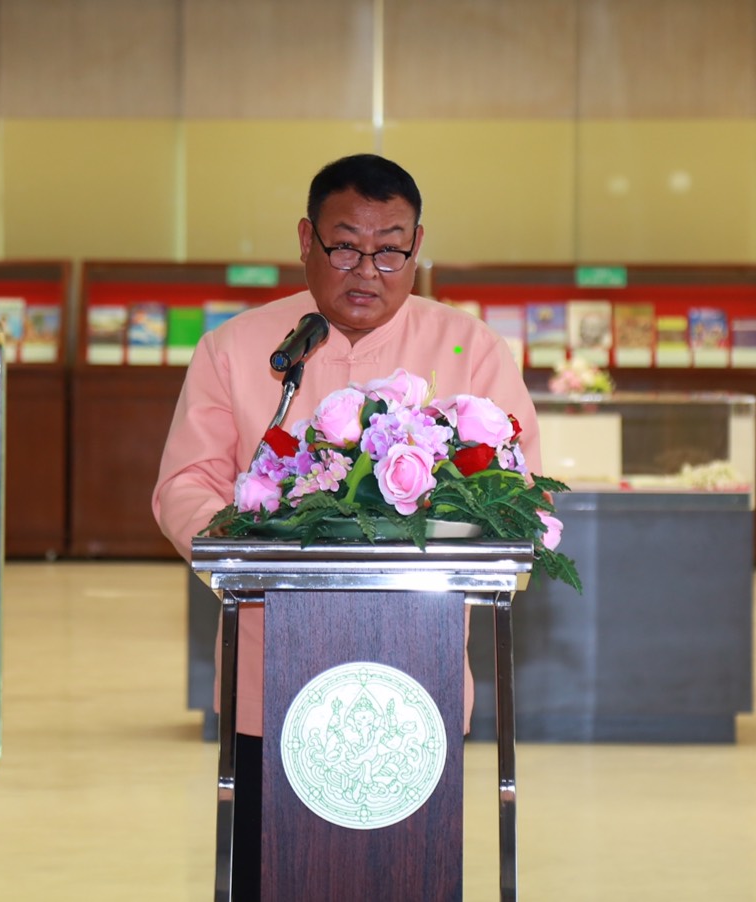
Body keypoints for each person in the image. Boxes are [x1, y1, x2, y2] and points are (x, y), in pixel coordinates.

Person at [152, 153, 541, 898]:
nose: (369, 271)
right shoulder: (240, 349)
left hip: (418, 671)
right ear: (306, 240)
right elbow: (185, 483)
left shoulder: (470, 348)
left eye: (391, 250)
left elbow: (518, 490)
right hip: (271, 668)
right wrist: (246, 543)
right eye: (345, 247)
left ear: (417, 247)